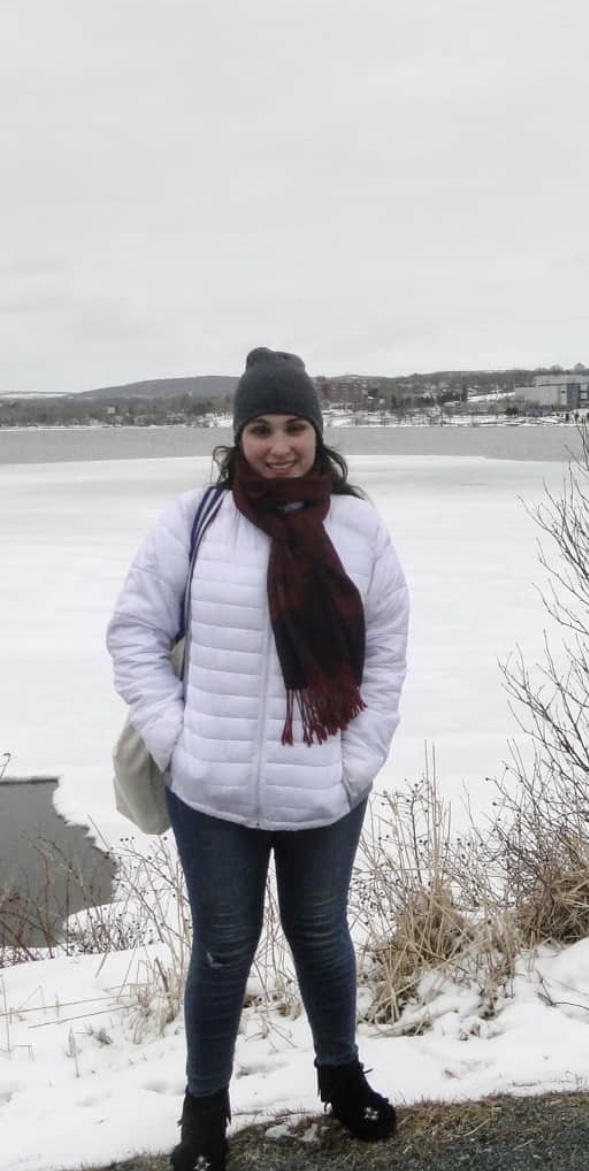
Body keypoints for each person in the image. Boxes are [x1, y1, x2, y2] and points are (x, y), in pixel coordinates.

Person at [108, 347, 410, 1171]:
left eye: (294, 427)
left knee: (320, 933)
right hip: (211, 789)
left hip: (324, 783)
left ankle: (341, 1077)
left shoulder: (358, 527)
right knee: (221, 947)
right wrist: (177, 742)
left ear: (318, 432)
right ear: (238, 436)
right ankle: (204, 1111)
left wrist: (357, 759)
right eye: (261, 429)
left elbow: (386, 652)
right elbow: (135, 633)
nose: (279, 446)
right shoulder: (196, 520)